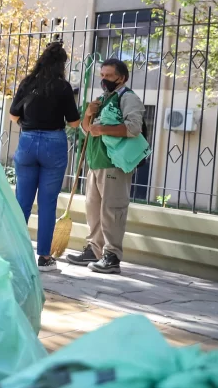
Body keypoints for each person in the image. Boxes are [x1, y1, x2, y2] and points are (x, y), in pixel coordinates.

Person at [66, 58, 145, 274]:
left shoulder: (128, 98)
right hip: (96, 162)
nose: (104, 79)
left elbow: (133, 128)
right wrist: (89, 114)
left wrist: (104, 130)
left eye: (109, 76)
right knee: (93, 209)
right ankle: (95, 250)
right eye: (102, 75)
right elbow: (85, 130)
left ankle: (112, 256)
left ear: (122, 78)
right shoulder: (102, 99)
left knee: (113, 210)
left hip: (114, 164)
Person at [9, 41, 80, 272]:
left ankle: (15, 252)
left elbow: (12, 115)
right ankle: (45, 257)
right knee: (47, 203)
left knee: (22, 201)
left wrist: (28, 125)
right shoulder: (63, 87)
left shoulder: (28, 83)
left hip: (27, 141)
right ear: (62, 64)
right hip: (53, 143)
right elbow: (73, 122)